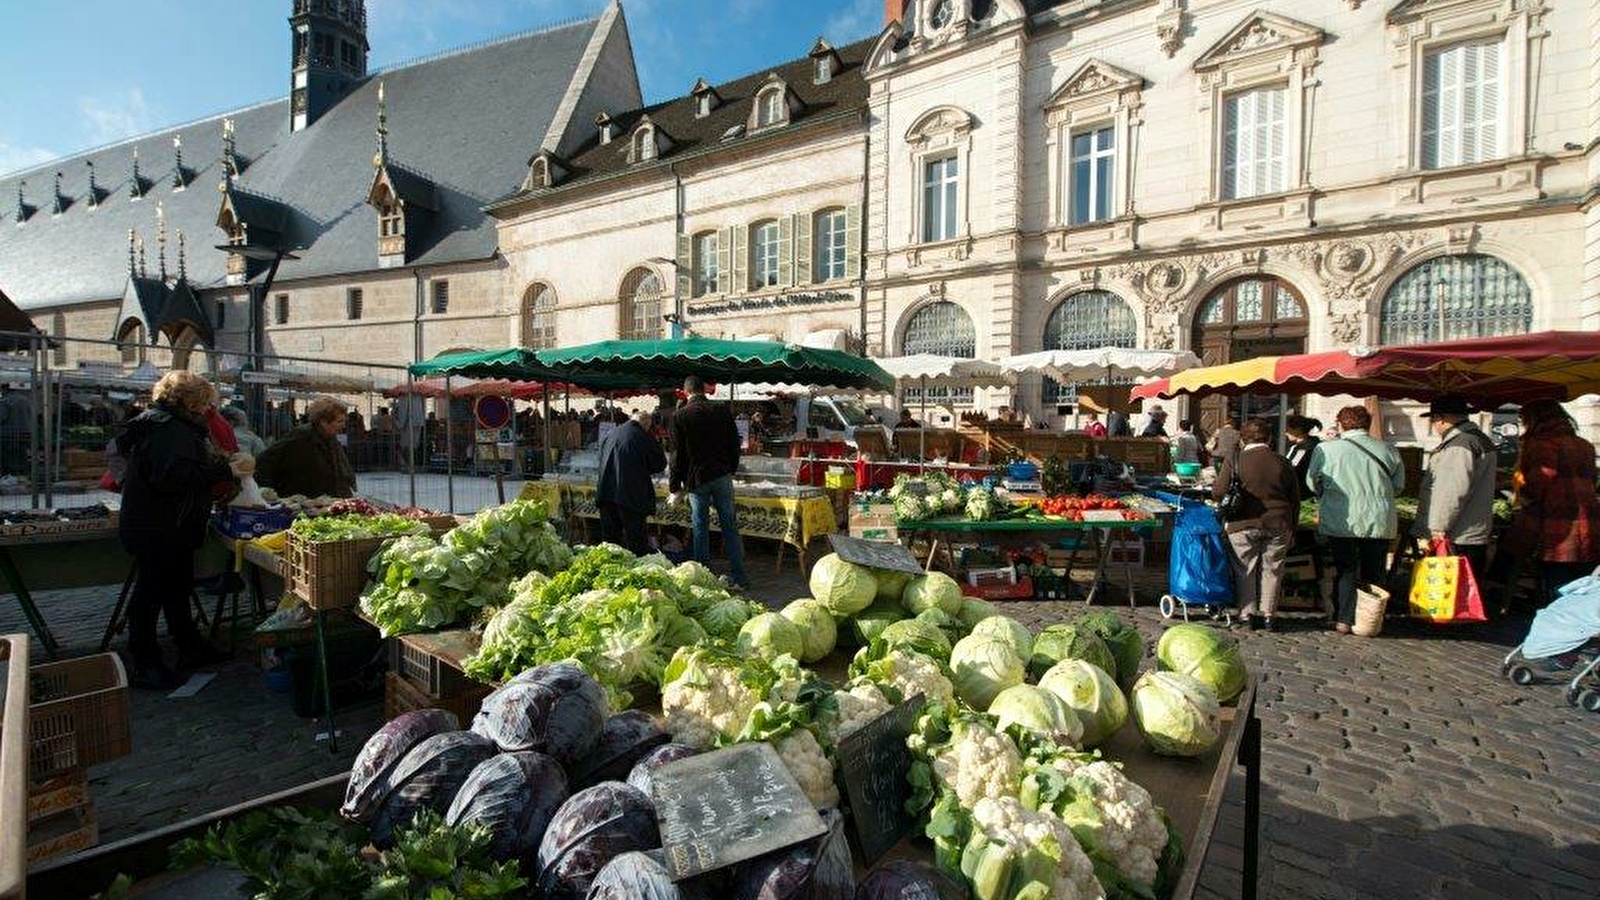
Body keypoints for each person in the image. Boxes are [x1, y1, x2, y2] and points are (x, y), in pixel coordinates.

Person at [116, 372, 241, 688]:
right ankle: (145, 661)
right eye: (204, 402)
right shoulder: (168, 429)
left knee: (176, 587)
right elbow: (173, 478)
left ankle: (189, 645)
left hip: (170, 525)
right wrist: (224, 469)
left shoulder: (168, 425)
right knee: (151, 593)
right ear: (190, 401)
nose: (207, 408)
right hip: (160, 527)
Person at [1308, 406, 1405, 634]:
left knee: (1347, 569)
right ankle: (1369, 621)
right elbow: (1398, 487)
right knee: (1375, 570)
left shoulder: (1327, 449)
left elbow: (1313, 483)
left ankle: (1344, 619)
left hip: (1342, 518)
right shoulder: (1388, 449)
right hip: (1379, 519)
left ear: (1341, 424)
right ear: (1367, 424)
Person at [1214, 418, 1300, 631]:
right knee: (1273, 569)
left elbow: (1218, 491)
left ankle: (1248, 613)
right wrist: (1293, 529)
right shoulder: (1281, 461)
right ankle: (1269, 614)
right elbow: (1294, 499)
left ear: (1242, 439)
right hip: (1278, 522)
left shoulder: (1235, 460)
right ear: (1269, 439)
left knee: (1245, 569)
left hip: (1242, 523)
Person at [1512, 398, 1600, 601]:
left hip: (1556, 524)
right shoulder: (1584, 445)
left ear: (1534, 419)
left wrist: (1524, 498)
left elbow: (1539, 480)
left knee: (1558, 585)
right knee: (1582, 585)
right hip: (1588, 523)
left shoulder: (1541, 444)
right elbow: (1593, 480)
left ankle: (1561, 624)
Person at [668, 375, 748, 587]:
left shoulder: (680, 416)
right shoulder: (721, 411)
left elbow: (677, 455)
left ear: (686, 393)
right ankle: (740, 576)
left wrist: (674, 486)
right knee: (730, 526)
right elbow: (734, 443)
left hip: (697, 479)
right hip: (722, 475)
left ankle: (703, 577)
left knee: (700, 528)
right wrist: (731, 468)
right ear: (704, 389)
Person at [1414, 394, 1497, 578]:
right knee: (1465, 594)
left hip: (1458, 534)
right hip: (1473, 531)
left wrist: (1438, 528)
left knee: (1450, 595)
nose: (1434, 427)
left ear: (1440, 419)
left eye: (1433, 420)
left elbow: (1451, 492)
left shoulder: (1460, 444)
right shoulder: (1479, 439)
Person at [254, 396, 358, 498]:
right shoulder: (301, 436)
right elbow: (265, 463)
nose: (344, 426)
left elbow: (339, 473)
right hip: (304, 503)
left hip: (326, 501)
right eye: (339, 421)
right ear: (323, 422)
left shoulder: (330, 439)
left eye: (344, 421)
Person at [596, 411, 667, 554]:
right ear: (646, 425)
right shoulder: (642, 436)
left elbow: (600, 458)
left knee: (610, 543)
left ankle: (609, 571)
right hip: (630, 495)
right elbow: (660, 463)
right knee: (636, 542)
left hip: (606, 492)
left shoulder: (611, 434)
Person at [1284, 415, 1323, 493]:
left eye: (1288, 429)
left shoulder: (1304, 448)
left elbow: (1294, 468)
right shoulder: (1299, 446)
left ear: (1298, 430)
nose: (1286, 433)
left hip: (1304, 492)